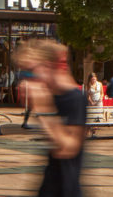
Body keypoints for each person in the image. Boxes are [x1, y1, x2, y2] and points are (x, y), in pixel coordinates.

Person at [16, 39, 87, 197]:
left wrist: (42, 107)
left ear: (48, 66)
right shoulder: (53, 95)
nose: (26, 80)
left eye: (30, 72)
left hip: (67, 190)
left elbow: (67, 148)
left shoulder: (74, 98)